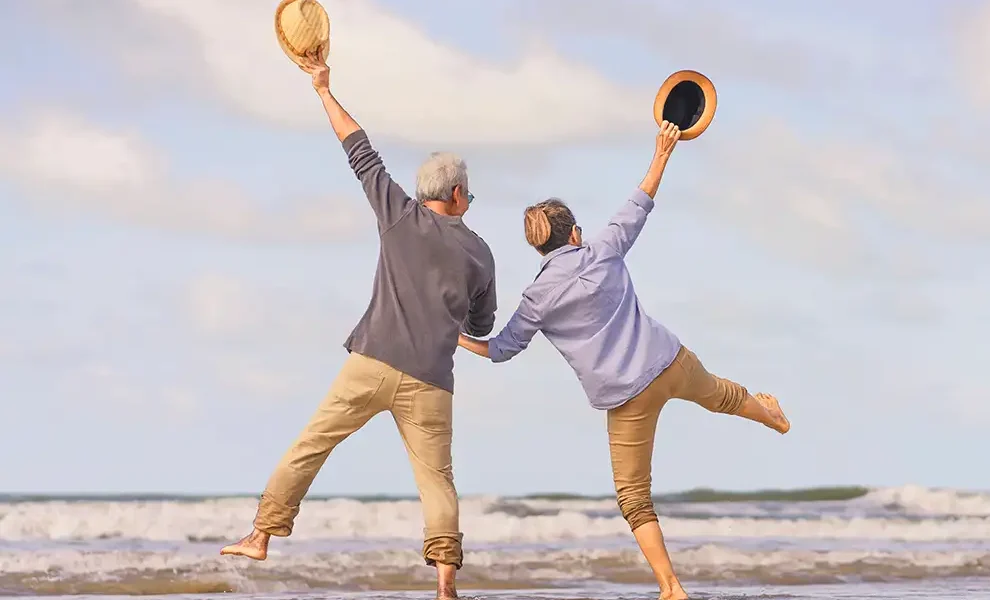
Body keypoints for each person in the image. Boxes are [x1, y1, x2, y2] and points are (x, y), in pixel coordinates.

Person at [456, 120, 790, 600]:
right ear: (574, 232)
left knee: (635, 499)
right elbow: (643, 199)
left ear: (538, 247)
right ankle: (772, 418)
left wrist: (456, 337)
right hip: (669, 360)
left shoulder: (536, 297)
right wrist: (663, 152)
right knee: (723, 395)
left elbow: (501, 350)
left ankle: (671, 588)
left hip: (625, 397)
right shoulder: (602, 246)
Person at [219, 52, 496, 600]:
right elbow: (481, 323)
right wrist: (449, 319)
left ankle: (260, 535)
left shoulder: (398, 214)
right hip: (432, 381)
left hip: (371, 361)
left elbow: (358, 149)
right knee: (437, 481)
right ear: (459, 194)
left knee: (311, 445)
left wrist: (323, 89)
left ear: (425, 194)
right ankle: (445, 583)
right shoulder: (480, 254)